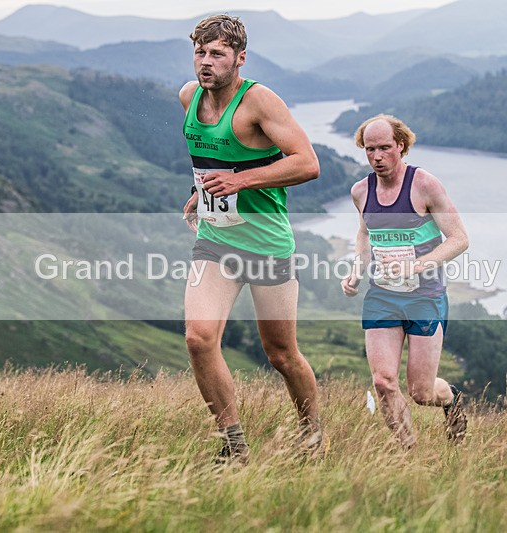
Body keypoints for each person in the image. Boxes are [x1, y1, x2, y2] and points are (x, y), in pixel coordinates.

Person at [179, 14, 323, 465]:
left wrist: (240, 182)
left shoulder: (259, 101)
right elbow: (208, 160)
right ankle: (233, 446)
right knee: (199, 338)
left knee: (281, 354)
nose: (206, 62)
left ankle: (312, 434)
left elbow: (307, 164)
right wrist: (198, 193)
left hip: (266, 246)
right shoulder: (188, 97)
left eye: (217, 53)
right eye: (200, 52)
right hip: (215, 240)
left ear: (240, 59)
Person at [341, 114, 469, 448]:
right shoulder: (360, 191)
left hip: (424, 296)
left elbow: (458, 239)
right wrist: (356, 269)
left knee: (422, 393)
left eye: (385, 148)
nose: (377, 156)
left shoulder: (424, 185)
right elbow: (364, 233)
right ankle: (409, 455)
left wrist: (416, 266)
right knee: (383, 382)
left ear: (401, 145)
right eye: (370, 149)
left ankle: (451, 398)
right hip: (382, 295)